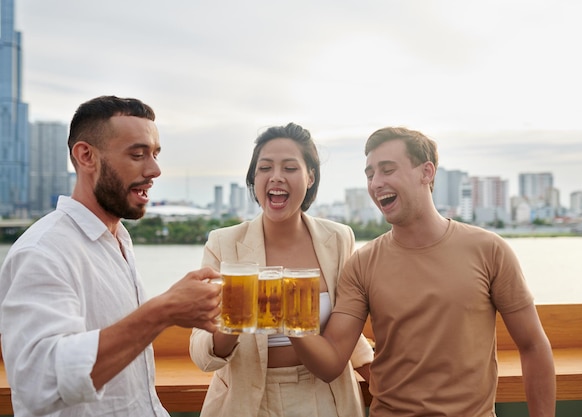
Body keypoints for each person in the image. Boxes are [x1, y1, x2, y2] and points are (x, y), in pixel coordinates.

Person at [290, 127, 556, 417]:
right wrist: (286, 318)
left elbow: (533, 345)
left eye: (387, 170)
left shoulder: (489, 249)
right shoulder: (362, 263)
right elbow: (330, 364)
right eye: (370, 175)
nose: (376, 183)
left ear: (426, 172)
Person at [0, 96, 222, 416]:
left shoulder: (116, 239)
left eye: (155, 154)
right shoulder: (42, 253)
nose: (155, 169)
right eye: (137, 154)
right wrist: (163, 310)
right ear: (86, 156)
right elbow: (40, 383)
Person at [189, 123, 374, 417]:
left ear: (310, 176)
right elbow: (202, 351)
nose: (276, 177)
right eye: (265, 168)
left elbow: (346, 326)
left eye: (290, 167)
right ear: (254, 178)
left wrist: (377, 376)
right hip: (245, 399)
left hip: (324, 396)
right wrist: (233, 323)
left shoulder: (339, 239)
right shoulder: (224, 243)